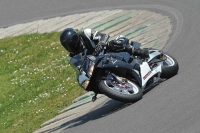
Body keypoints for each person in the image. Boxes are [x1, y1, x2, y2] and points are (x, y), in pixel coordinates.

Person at [60, 28, 149, 58]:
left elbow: (104, 36)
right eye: (66, 46)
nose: (69, 47)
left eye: (70, 44)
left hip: (106, 52)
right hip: (96, 64)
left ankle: (140, 52)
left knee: (114, 44)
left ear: (75, 40)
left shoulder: (86, 33)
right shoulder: (73, 56)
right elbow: (78, 67)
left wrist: (101, 43)